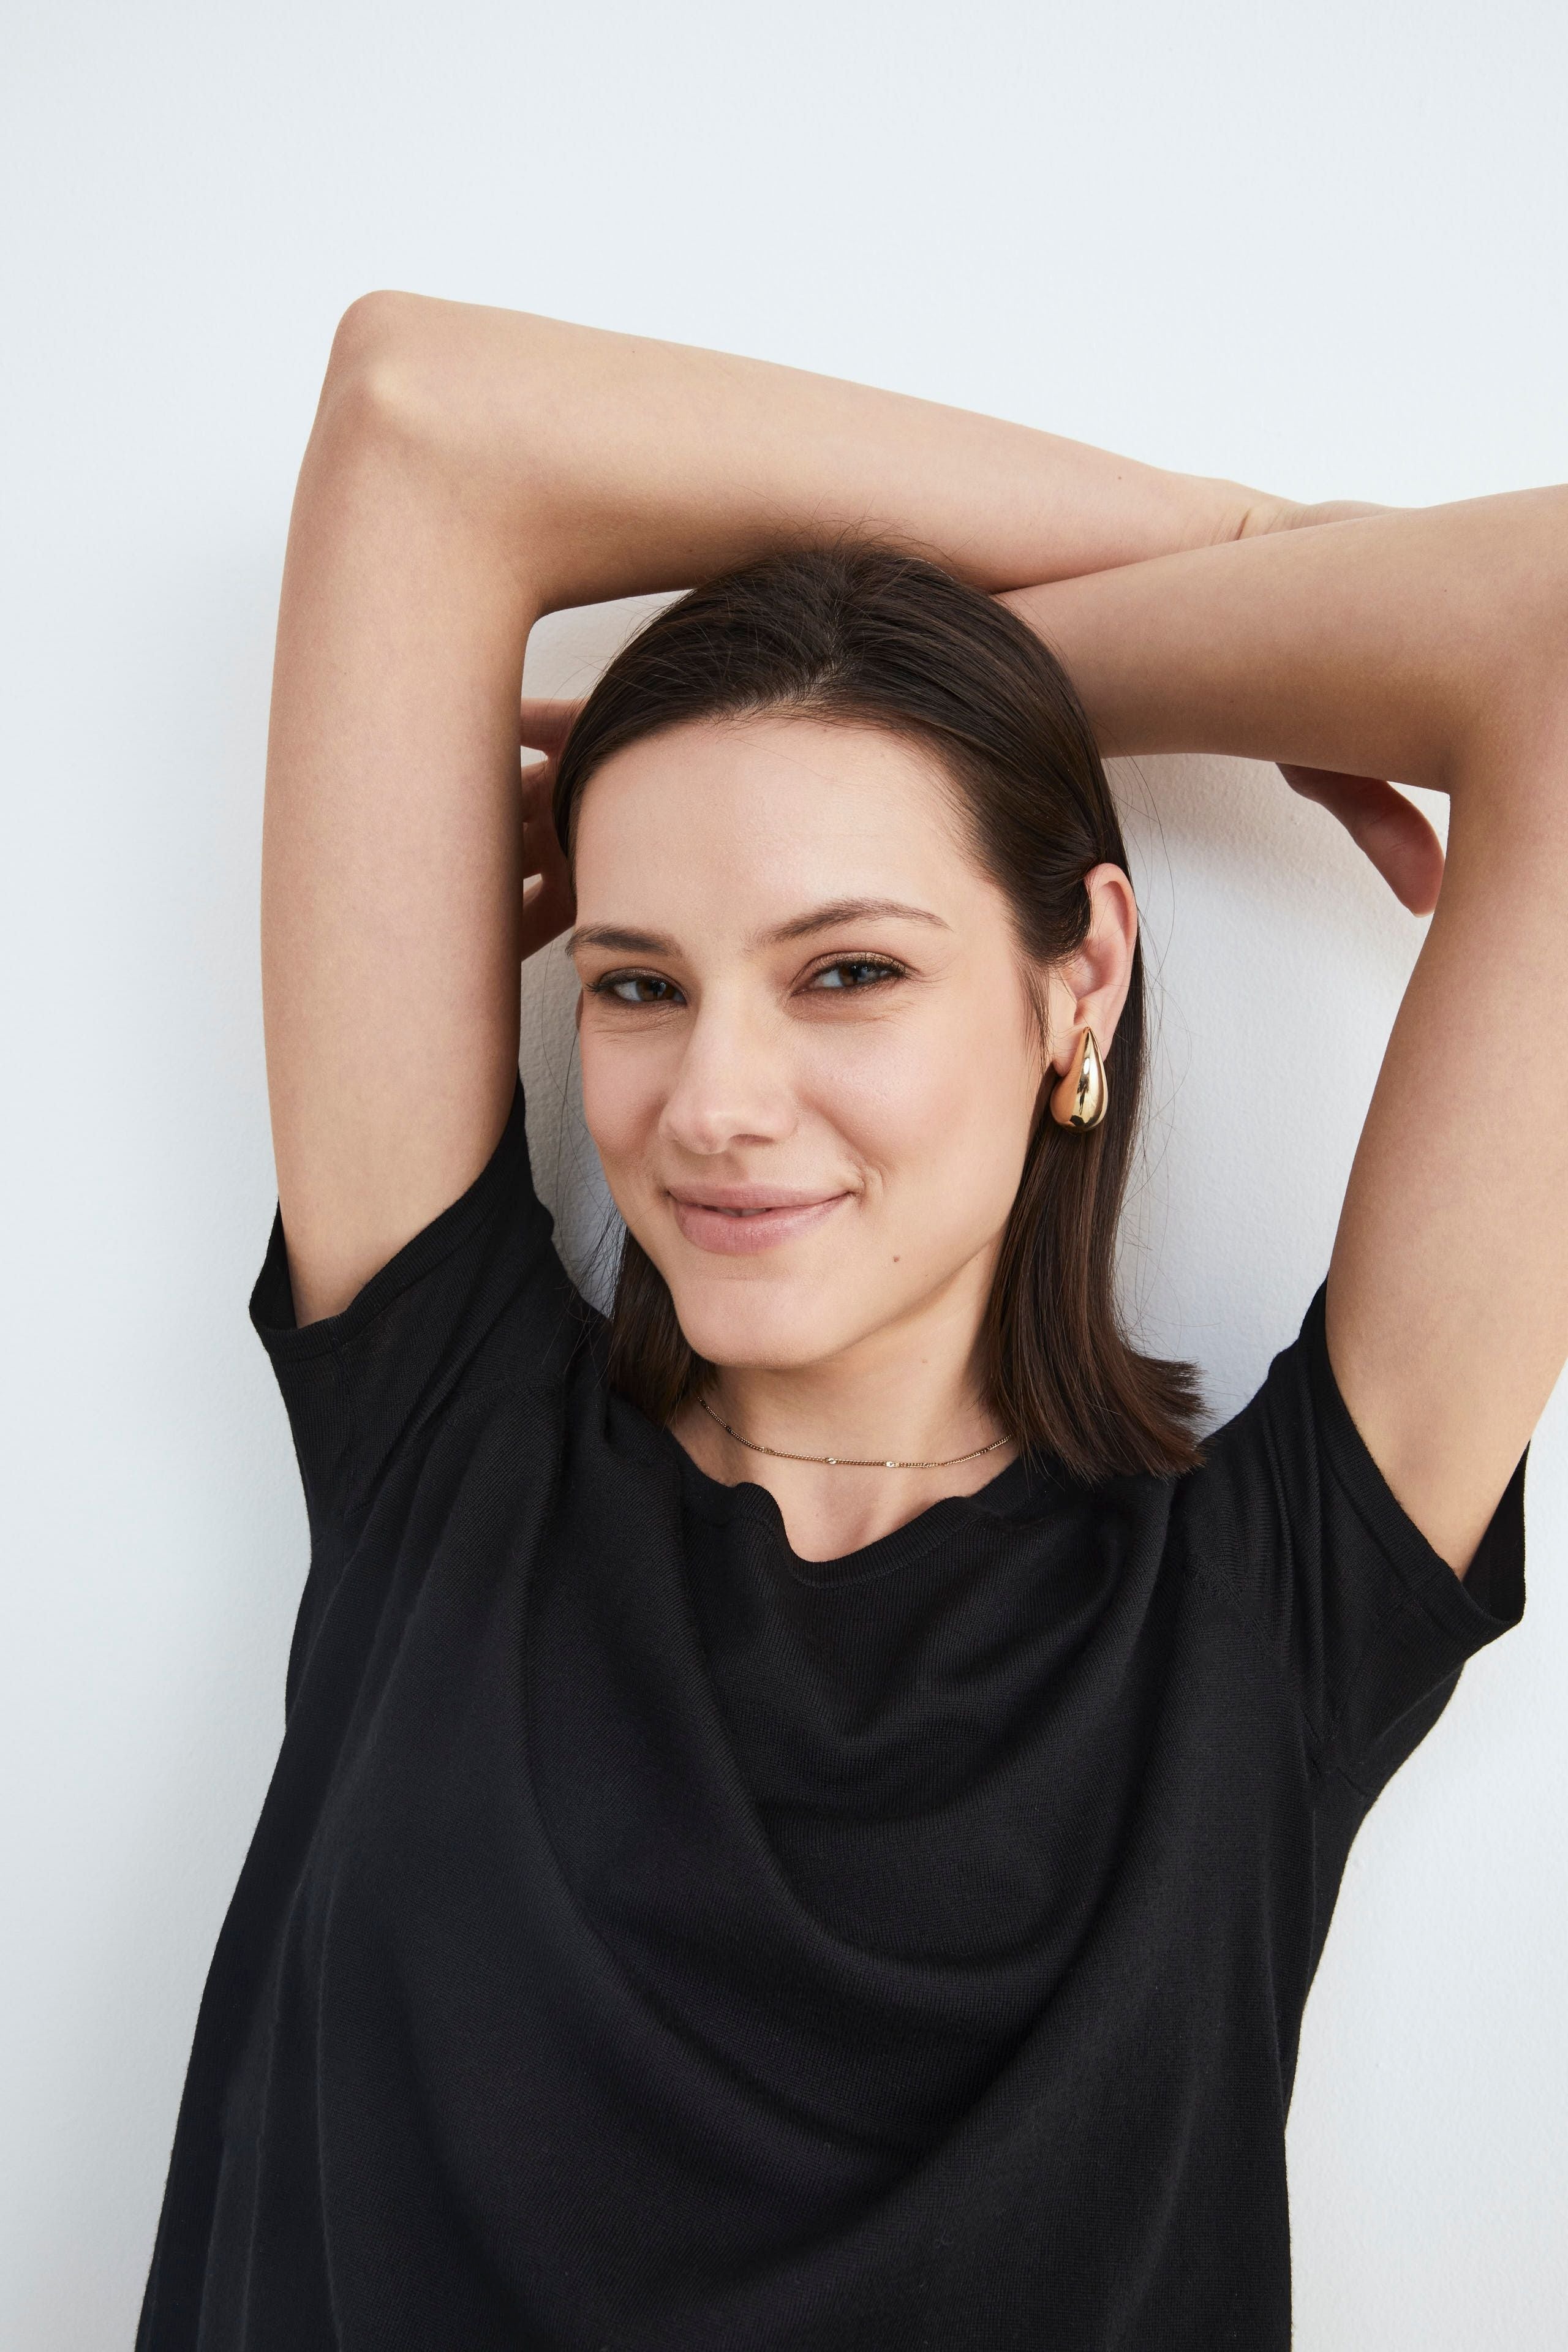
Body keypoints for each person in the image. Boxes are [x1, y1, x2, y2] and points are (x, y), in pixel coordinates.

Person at [137, 293, 1562, 2352]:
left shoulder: (1269, 1615)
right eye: (639, 981)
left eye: (848, 970)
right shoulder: (447, 1440)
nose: (713, 1103)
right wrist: (1244, 543)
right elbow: (419, 411)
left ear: (1080, 981)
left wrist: (951, 688)